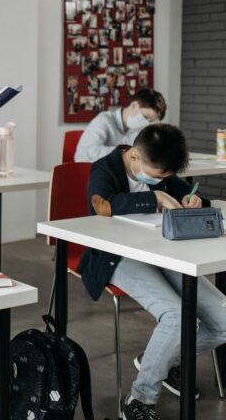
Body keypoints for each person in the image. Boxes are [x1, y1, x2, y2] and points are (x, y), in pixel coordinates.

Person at [77, 124, 226, 420]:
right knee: (175, 316)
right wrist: (153, 198)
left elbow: (191, 196)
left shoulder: (163, 172)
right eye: (157, 176)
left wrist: (194, 201)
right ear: (134, 156)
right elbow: (101, 206)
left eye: (165, 177)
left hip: (161, 255)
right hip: (115, 257)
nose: (161, 182)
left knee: (223, 320)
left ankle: (158, 360)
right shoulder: (105, 169)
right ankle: (140, 400)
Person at [75, 88, 166, 162]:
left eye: (150, 121)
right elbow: (87, 151)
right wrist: (125, 152)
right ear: (134, 105)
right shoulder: (104, 120)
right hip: (90, 174)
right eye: (146, 117)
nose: (146, 122)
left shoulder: (138, 129)